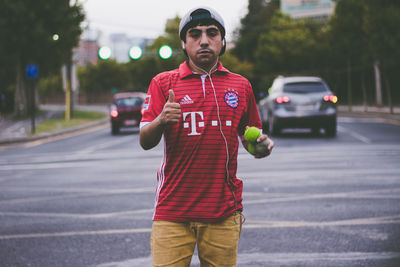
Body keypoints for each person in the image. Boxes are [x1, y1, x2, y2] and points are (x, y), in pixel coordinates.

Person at [139, 6, 274, 267]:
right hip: (172, 211)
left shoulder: (241, 86)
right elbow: (145, 140)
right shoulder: (163, 83)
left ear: (222, 41)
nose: (203, 40)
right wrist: (161, 120)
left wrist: (262, 147)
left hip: (223, 212)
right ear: (183, 42)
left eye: (212, 33)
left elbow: (251, 141)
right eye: (194, 34)